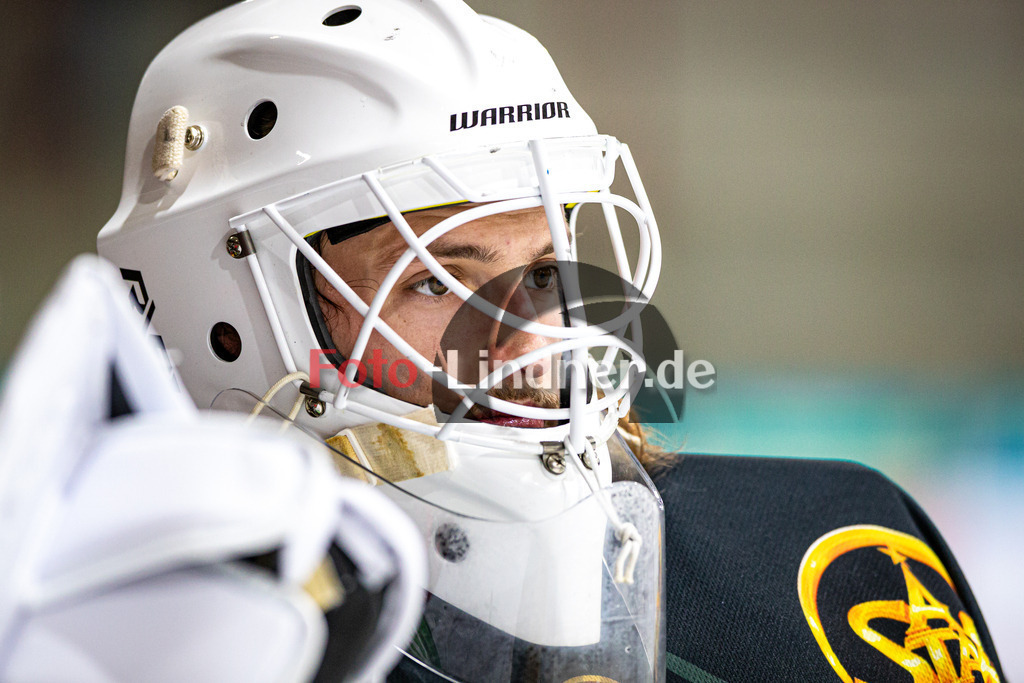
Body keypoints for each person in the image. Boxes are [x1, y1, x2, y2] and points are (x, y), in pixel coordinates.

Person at [96, 0, 1005, 681]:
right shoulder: (143, 646)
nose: (537, 331)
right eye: (438, 279)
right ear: (227, 322)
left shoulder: (833, 556)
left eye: (543, 265)